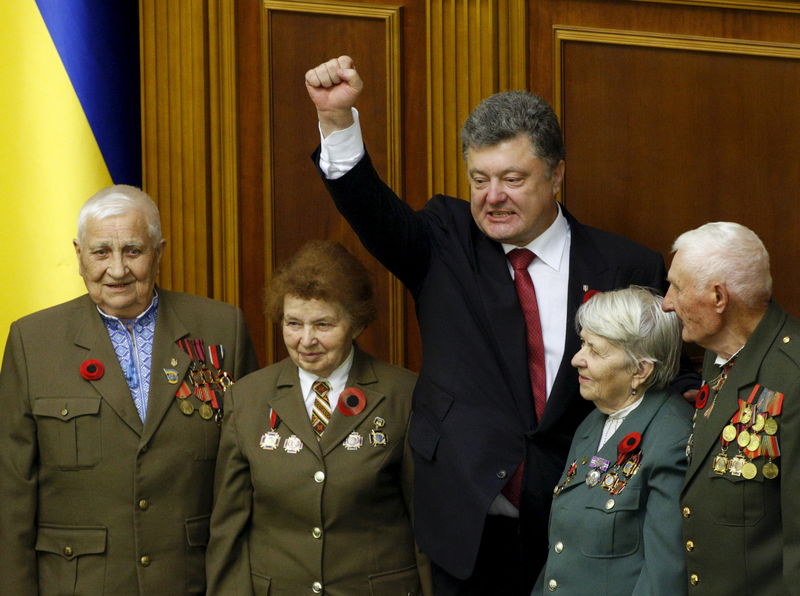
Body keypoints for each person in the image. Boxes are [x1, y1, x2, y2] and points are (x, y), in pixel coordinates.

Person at [305, 55, 683, 594]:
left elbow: (666, 384)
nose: (492, 196)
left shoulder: (626, 267)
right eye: (479, 179)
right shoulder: (444, 240)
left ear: (556, 175)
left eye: (512, 178)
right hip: (468, 523)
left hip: (583, 527)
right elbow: (369, 208)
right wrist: (337, 120)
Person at [0, 184, 258, 595]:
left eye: (133, 251)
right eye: (101, 252)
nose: (117, 269)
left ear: (159, 252)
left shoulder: (221, 328)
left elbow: (249, 475)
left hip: (193, 579)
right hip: (77, 583)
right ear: (79, 255)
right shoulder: (33, 342)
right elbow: (11, 490)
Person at [206, 240, 429, 596]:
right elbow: (228, 530)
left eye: (323, 324)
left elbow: (426, 525)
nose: (306, 340)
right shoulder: (247, 399)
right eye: (293, 323)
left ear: (355, 324)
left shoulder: (403, 395)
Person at [662, 222, 800, 593]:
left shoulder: (794, 377)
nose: (667, 302)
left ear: (718, 298)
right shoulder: (718, 355)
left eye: (676, 286)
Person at [534, 286, 691, 595]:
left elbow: (664, 577)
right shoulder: (595, 421)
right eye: (582, 343)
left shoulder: (671, 437)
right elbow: (562, 553)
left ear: (640, 370)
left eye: (596, 350)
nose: (577, 359)